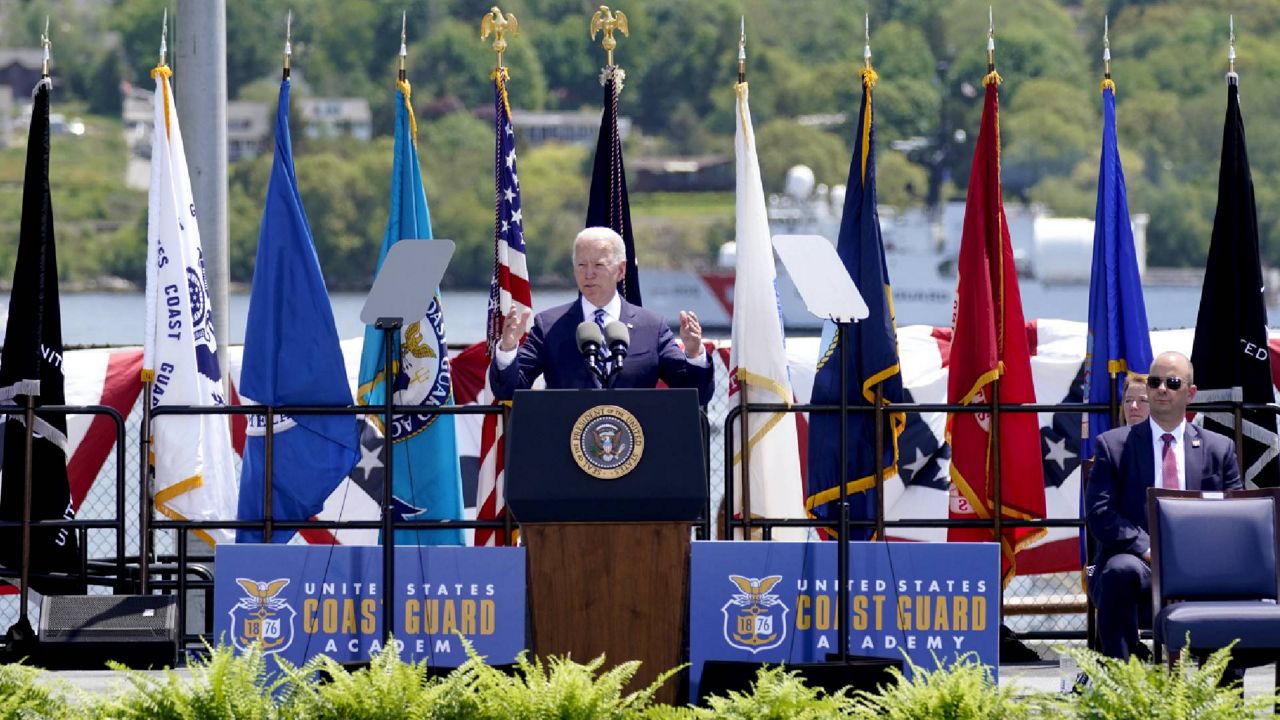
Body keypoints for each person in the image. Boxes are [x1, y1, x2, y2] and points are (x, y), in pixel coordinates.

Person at [1085, 351, 1242, 661]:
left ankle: (1226, 696)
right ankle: (1121, 681)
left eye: (1172, 383)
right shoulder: (1113, 445)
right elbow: (1101, 514)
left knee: (1240, 578)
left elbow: (1234, 515)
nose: (1161, 390)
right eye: (1155, 382)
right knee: (1118, 571)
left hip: (1201, 565)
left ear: (1190, 392)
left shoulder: (1218, 448)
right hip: (1140, 563)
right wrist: (1147, 549)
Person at [490, 226, 714, 404]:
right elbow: (508, 391)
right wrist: (508, 349)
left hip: (636, 449)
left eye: (599, 265)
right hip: (566, 448)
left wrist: (694, 353)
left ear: (621, 270)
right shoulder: (549, 325)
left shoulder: (652, 327)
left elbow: (696, 394)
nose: (589, 274)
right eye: (581, 265)